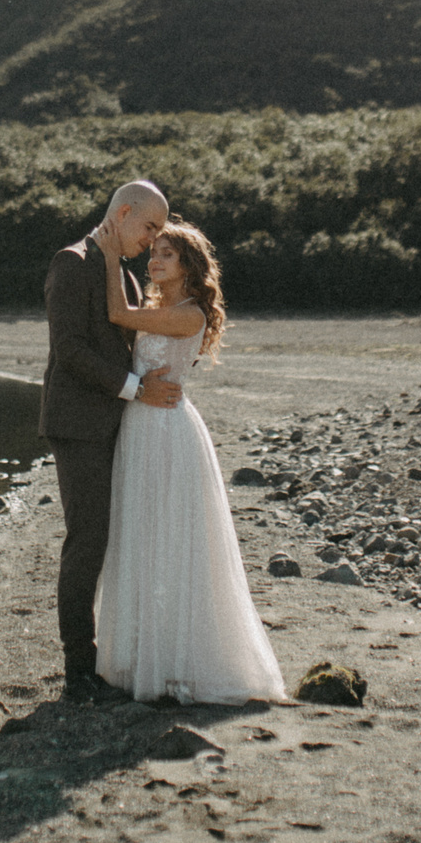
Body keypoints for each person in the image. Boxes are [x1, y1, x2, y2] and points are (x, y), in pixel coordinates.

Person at [92, 219, 286, 705]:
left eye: (166, 255)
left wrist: (110, 250)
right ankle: (142, 655)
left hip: (166, 430)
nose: (154, 261)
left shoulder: (189, 314)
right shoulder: (161, 306)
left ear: (189, 266)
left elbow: (117, 312)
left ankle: (177, 662)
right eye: (152, 252)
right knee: (143, 533)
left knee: (171, 537)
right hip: (141, 425)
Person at [42, 179, 180, 706]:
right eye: (148, 227)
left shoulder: (119, 272)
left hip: (116, 423)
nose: (151, 240)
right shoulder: (71, 263)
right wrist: (135, 390)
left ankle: (110, 657)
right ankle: (78, 670)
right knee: (87, 543)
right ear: (123, 213)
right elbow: (70, 349)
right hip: (77, 425)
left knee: (109, 541)